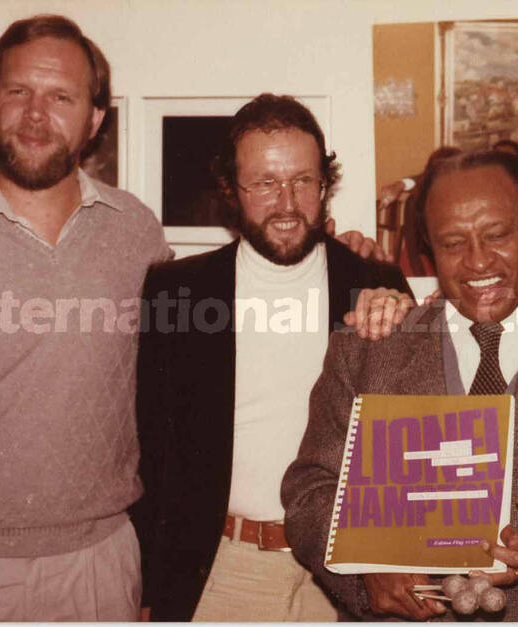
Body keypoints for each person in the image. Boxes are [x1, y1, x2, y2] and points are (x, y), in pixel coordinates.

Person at [282, 148, 518, 621]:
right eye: (452, 243)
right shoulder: (367, 348)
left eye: (497, 235)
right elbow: (310, 490)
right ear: (430, 249)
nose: (477, 262)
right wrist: (361, 572)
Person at [0, 15, 172, 621]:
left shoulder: (136, 232)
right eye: (17, 92)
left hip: (99, 567)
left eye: (61, 97)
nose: (36, 115)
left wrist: (343, 259)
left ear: (94, 119)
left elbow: (186, 376)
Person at [132, 93, 412, 622]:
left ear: (324, 186)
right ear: (230, 192)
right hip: (222, 573)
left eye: (302, 181)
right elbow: (148, 452)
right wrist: (148, 587)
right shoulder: (176, 293)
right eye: (264, 183)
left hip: (349, 573)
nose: (286, 203)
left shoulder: (376, 284)